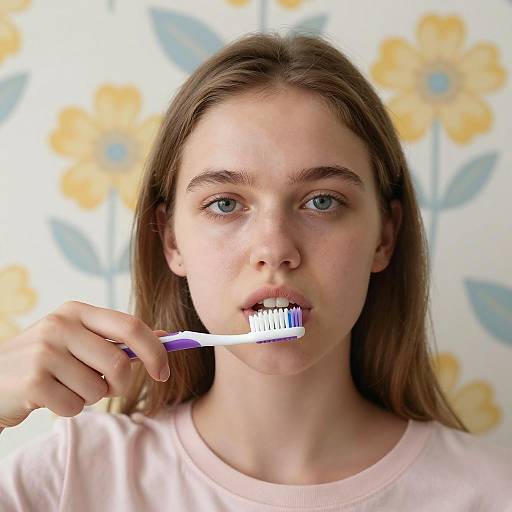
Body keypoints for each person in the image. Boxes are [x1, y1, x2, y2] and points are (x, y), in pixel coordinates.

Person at [1, 31, 510, 511]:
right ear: (172, 239)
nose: (275, 248)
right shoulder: (73, 476)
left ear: (385, 236)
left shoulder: (490, 492)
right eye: (225, 204)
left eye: (322, 201)